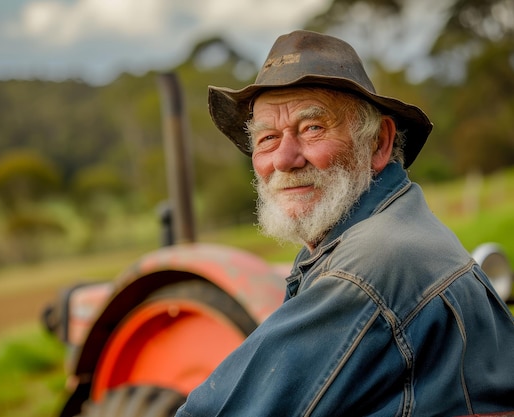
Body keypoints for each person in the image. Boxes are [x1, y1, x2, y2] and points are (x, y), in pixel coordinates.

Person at [175, 30, 514, 417]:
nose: (284, 159)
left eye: (312, 128)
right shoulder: (387, 229)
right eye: (268, 138)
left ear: (379, 143)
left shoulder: (372, 264)